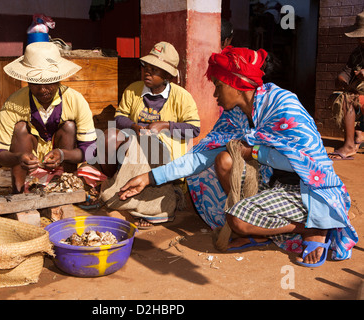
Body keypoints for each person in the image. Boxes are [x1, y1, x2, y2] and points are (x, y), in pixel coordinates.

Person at [118, 46, 358, 267]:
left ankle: (312, 226)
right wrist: (150, 177)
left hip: (310, 191)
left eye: (217, 85)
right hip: (274, 183)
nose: (214, 94)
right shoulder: (235, 116)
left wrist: (255, 152)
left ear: (236, 83)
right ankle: (256, 232)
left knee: (237, 220)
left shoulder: (283, 104)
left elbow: (308, 165)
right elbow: (199, 158)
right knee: (220, 161)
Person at [98, 41, 201, 228]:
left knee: (145, 145)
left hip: (163, 153)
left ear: (168, 75)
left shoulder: (181, 96)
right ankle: (119, 188)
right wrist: (135, 127)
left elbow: (194, 128)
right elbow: (120, 117)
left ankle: (148, 207)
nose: (148, 73)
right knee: (109, 136)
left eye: (155, 70)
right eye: (146, 67)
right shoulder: (133, 90)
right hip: (132, 146)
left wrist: (165, 125)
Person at [0, 42, 97, 193]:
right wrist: (18, 157)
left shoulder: (75, 100)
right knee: (20, 128)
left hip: (61, 159)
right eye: (35, 83)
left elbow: (90, 151)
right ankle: (20, 192)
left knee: (69, 127)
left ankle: (66, 187)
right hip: (27, 159)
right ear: (27, 80)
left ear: (59, 78)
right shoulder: (13, 103)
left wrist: (63, 154)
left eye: (48, 82)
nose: (42, 89)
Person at [329, 11, 364, 160]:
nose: (360, 41)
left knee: (349, 100)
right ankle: (359, 134)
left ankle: (350, 145)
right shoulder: (357, 52)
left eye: (362, 37)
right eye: (359, 38)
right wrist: (341, 78)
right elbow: (347, 72)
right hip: (360, 92)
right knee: (341, 97)